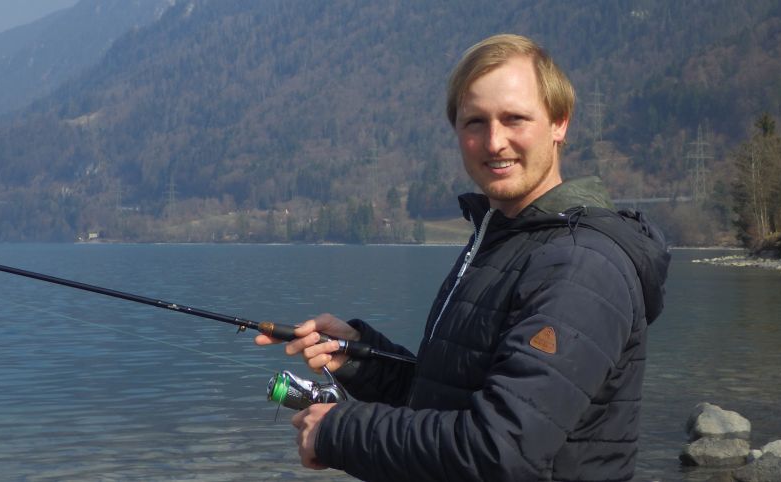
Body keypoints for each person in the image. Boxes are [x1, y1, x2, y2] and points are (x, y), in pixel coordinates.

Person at [256, 33, 669, 482]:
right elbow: (448, 399)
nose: (494, 142)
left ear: (559, 123)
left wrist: (338, 432)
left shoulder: (580, 266)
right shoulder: (503, 242)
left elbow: (500, 449)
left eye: (514, 119)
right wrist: (357, 358)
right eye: (475, 122)